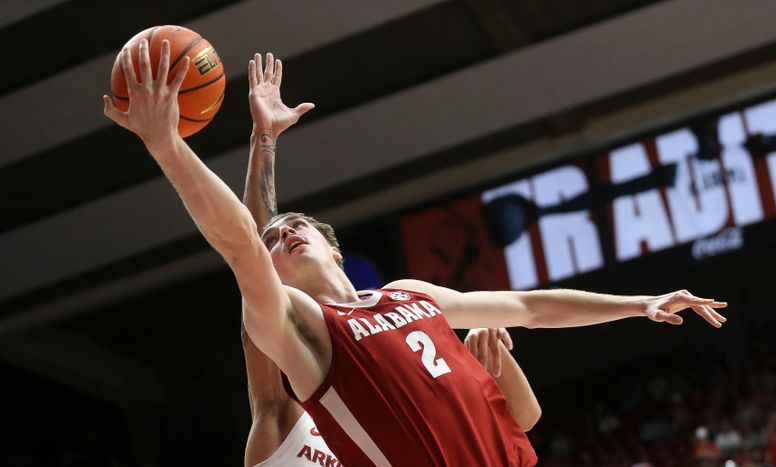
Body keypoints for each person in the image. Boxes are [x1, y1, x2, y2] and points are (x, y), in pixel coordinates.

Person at [102, 40, 727, 466]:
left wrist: (641, 302)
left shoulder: (411, 296)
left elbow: (530, 310)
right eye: (276, 238)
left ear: (335, 247)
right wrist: (169, 147)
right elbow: (243, 241)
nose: (284, 233)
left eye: (298, 227)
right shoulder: (302, 341)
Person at [237, 53, 542, 466]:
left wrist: (495, 358)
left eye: (294, 232)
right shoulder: (281, 411)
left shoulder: (394, 393)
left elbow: (522, 420)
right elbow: (251, 255)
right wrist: (263, 140)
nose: (284, 239)